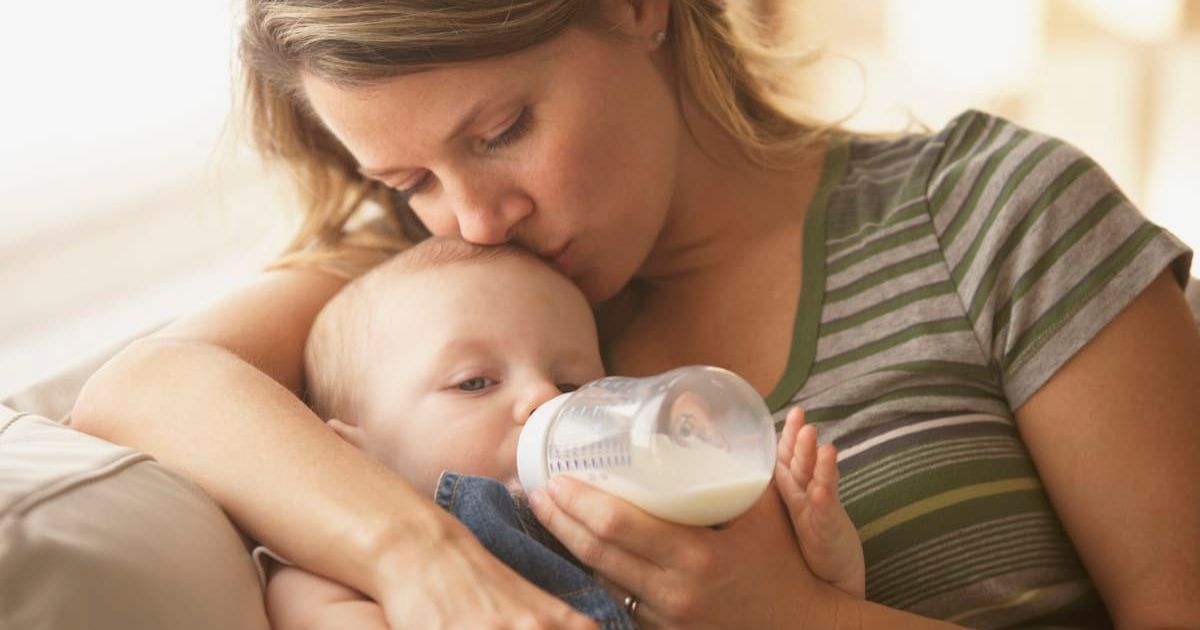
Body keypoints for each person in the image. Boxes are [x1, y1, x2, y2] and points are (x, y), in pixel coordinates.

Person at [70, 0, 1200, 628]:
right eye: (407, 181)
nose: (474, 216)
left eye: (500, 129)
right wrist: (418, 562)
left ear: (633, 6)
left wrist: (785, 619)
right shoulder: (431, 298)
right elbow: (141, 388)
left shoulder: (990, 215)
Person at [263, 235, 864, 630]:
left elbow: (776, 609)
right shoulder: (338, 574)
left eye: (573, 384)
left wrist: (824, 564)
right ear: (352, 458)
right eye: (474, 383)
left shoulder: (639, 525)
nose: (544, 400)